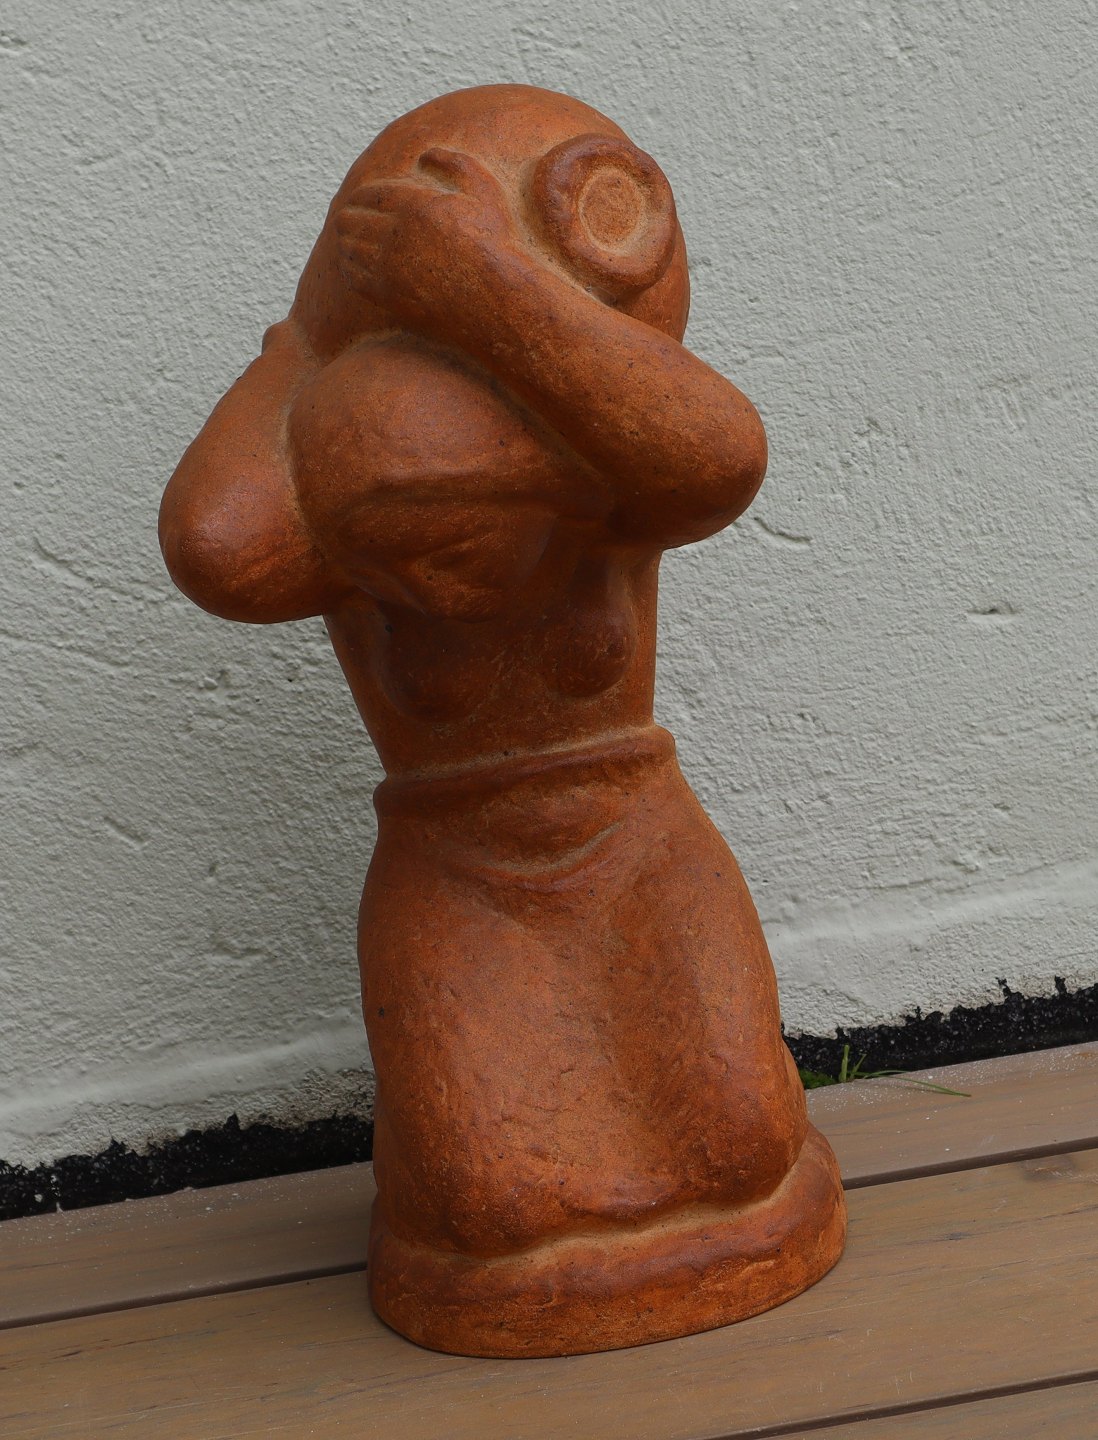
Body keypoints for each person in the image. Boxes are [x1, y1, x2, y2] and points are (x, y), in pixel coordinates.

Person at [160, 83, 845, 1358]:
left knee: (744, 1145)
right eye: (397, 544)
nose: (438, 582)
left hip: (639, 848)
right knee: (490, 1208)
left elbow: (722, 452)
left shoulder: (607, 505)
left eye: (477, 530)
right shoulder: (347, 540)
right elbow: (214, 546)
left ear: (553, 488)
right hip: (457, 878)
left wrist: (491, 289)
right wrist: (317, 328)